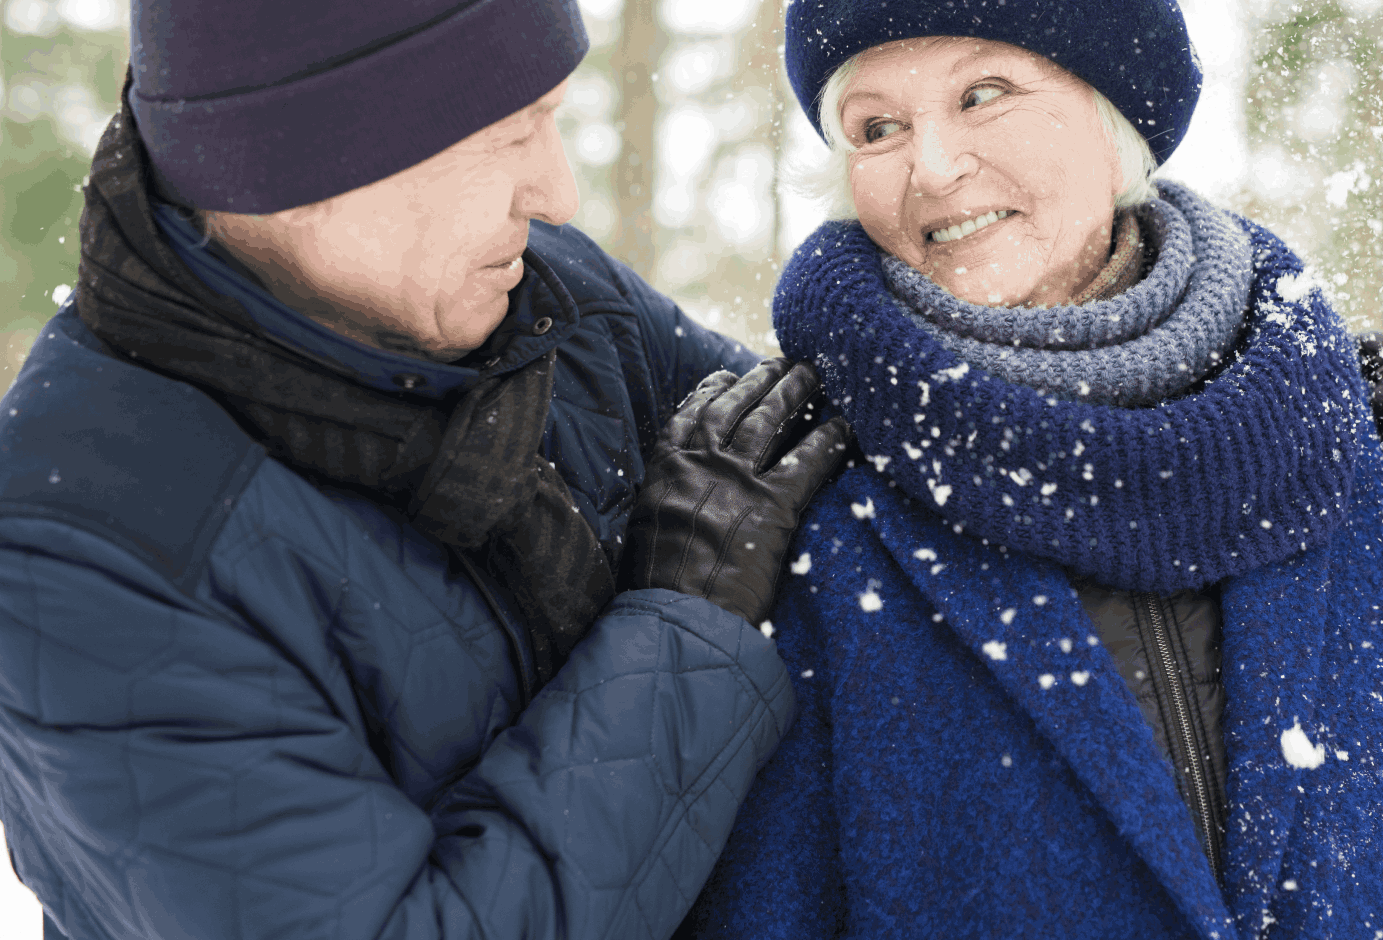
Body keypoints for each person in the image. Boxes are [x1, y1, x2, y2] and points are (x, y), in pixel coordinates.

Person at [680, 1, 1383, 938]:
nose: (933, 166)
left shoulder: (1329, 429)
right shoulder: (806, 492)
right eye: (877, 127)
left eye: (984, 93)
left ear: (1114, 112)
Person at [0, 1, 846, 938]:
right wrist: (687, 625)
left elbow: (806, 461)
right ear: (303, 167)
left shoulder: (537, 290)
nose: (556, 192)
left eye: (552, 118)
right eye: (506, 134)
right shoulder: (84, 558)